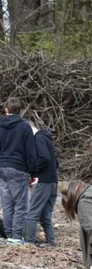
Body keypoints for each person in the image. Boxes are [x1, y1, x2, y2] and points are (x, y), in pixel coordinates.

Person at [0, 97, 39, 244]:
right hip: (18, 168)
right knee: (20, 204)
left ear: (6, 109)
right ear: (20, 111)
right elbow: (31, 151)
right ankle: (16, 236)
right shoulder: (24, 127)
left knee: (7, 203)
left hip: (2, 168)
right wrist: (34, 172)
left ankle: (9, 234)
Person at [24, 123, 59, 246]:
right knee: (45, 216)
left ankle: (28, 242)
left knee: (32, 214)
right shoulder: (46, 138)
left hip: (44, 181)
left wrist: (31, 169)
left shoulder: (38, 138)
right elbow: (56, 162)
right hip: (53, 182)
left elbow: (44, 158)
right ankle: (51, 241)